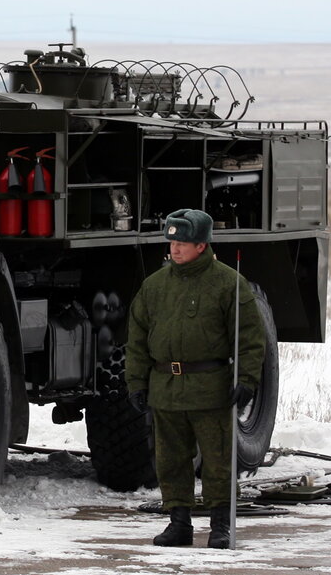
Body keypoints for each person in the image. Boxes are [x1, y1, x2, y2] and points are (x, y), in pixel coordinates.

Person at [125, 208, 265, 549]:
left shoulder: (228, 283)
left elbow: (250, 338)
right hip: (166, 389)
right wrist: (137, 382)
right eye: (172, 241)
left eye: (183, 242)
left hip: (210, 388)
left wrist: (246, 380)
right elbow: (138, 339)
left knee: (217, 460)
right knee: (170, 460)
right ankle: (179, 523)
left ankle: (220, 526)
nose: (175, 248)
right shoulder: (154, 286)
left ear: (202, 245)